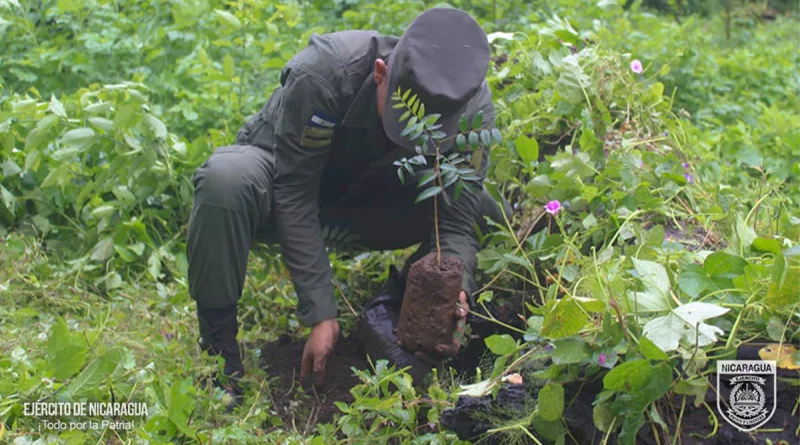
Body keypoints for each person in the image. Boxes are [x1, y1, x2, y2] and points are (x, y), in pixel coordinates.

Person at [186, 7, 510, 407]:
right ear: (380, 72)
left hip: (376, 204)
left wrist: (453, 293)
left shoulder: (474, 111)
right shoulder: (326, 72)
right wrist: (321, 313)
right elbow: (294, 192)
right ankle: (220, 361)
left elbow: (456, 226)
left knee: (485, 213)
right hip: (289, 190)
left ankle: (400, 307)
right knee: (225, 180)